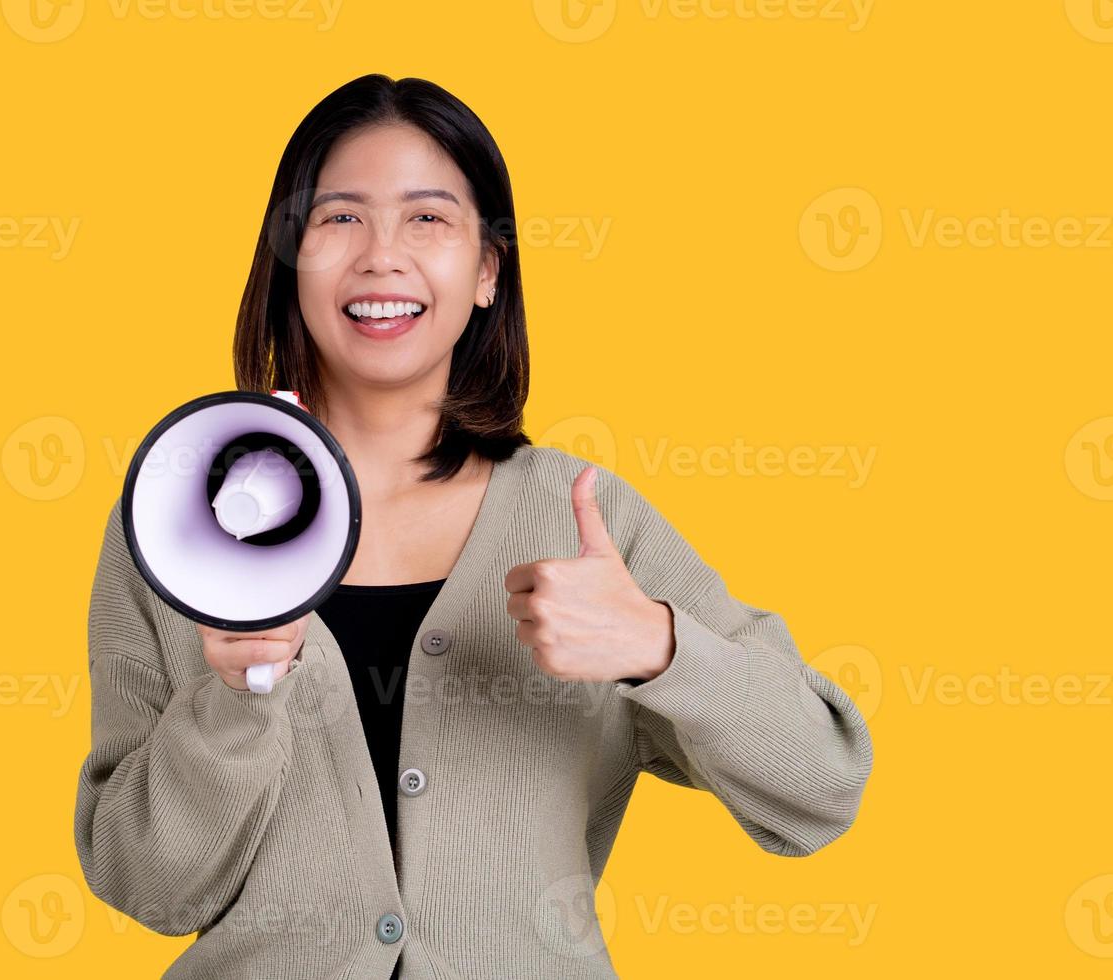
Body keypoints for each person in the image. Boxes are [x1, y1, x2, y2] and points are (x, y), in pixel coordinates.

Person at [73, 73, 873, 979]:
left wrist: (658, 644)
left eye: (427, 219)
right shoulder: (174, 529)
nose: (381, 257)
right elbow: (146, 886)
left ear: (488, 270)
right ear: (291, 258)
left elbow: (820, 788)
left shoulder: (584, 520)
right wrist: (235, 700)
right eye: (340, 218)